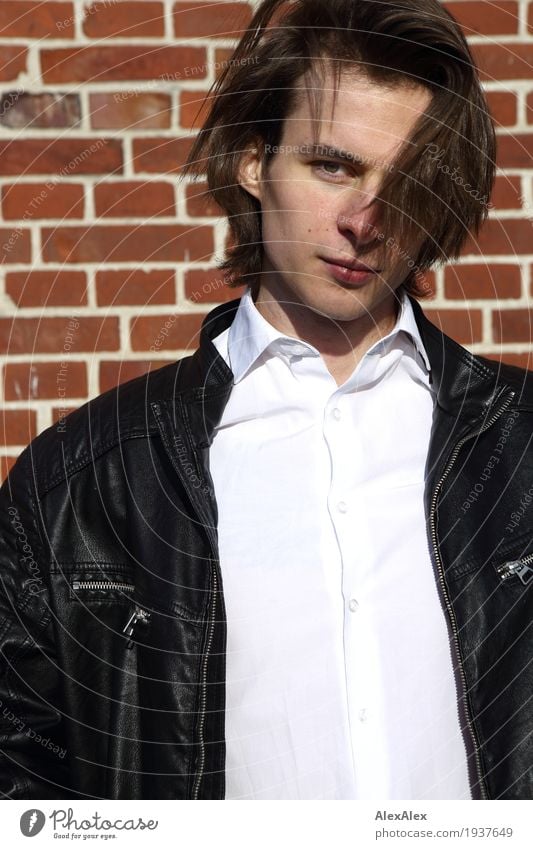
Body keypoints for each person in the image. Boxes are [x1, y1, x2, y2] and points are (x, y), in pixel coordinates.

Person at [0, 0, 531, 801]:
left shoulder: (519, 444)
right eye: (332, 166)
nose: (366, 219)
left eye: (406, 180)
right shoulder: (84, 482)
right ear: (253, 160)